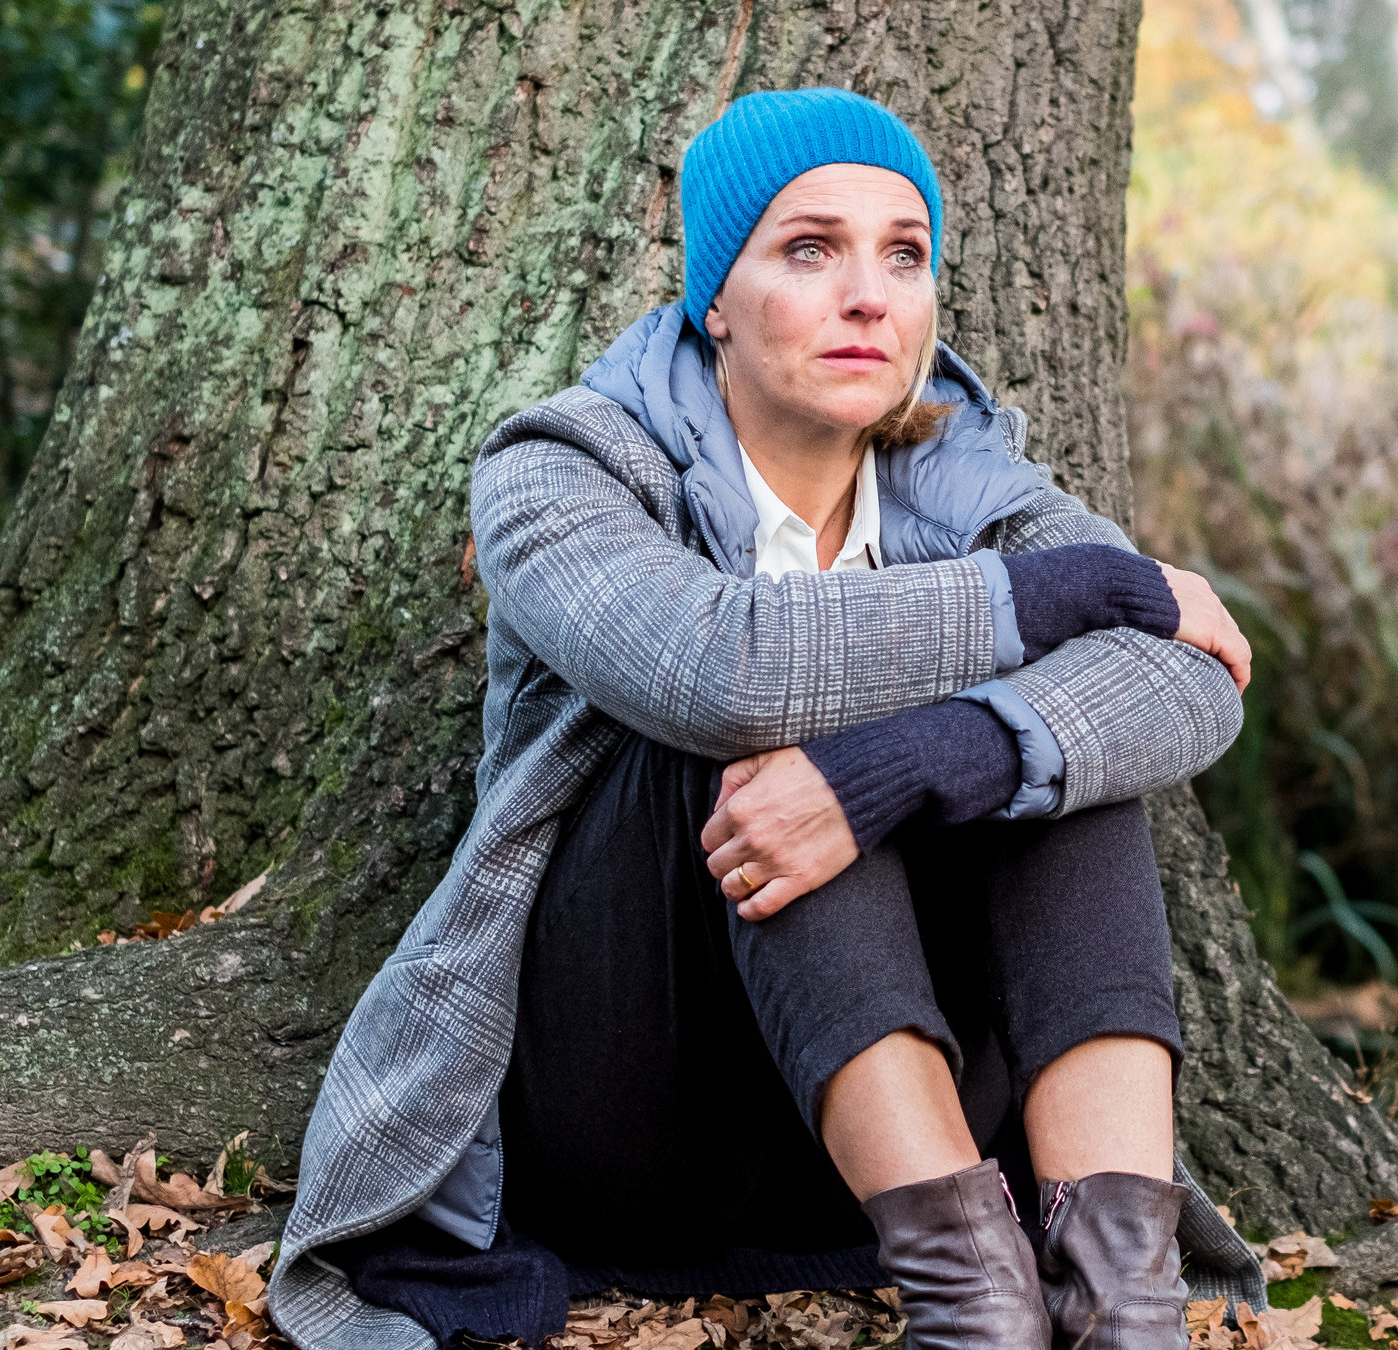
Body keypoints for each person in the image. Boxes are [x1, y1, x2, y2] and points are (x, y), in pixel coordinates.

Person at [267, 87, 1264, 1350]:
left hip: (898, 1158)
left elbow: (1191, 681)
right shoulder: (558, 471)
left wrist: (934, 757)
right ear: (713, 299)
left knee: (1065, 760)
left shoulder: (973, 481)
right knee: (770, 744)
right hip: (640, 1113)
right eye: (809, 249)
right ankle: (977, 1313)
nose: (868, 295)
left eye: (903, 255)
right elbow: (718, 671)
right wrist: (1066, 593)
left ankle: (1118, 1303)